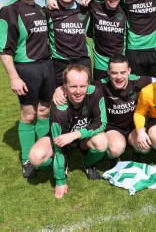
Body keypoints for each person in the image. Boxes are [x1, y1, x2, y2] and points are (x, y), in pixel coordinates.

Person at [0, 0, 54, 178]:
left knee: (44, 112)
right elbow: (4, 50)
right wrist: (14, 77)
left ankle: (43, 154)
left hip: (46, 67)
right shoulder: (8, 10)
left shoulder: (41, 9)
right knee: (28, 114)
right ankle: (27, 160)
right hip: (26, 69)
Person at [52, 54, 153, 168]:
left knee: (146, 147)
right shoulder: (99, 85)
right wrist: (59, 89)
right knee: (115, 149)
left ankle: (136, 152)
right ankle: (113, 158)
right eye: (114, 73)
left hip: (133, 127)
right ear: (108, 71)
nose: (119, 77)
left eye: (123, 72)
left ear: (129, 71)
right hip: (112, 129)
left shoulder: (140, 81)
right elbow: (79, 86)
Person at [28, 64, 108, 198]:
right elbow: (58, 145)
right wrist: (60, 180)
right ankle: (63, 164)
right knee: (35, 157)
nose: (78, 91)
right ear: (64, 85)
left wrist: (76, 134)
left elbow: (101, 123)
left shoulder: (96, 92)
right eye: (73, 86)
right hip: (61, 139)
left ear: (88, 83)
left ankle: (88, 163)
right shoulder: (60, 106)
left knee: (102, 142)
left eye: (82, 86)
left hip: (83, 138)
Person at [44, 0, 92, 87]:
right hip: (59, 63)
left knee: (83, 97)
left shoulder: (85, 9)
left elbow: (105, 2)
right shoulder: (49, 11)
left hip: (82, 61)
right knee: (59, 98)